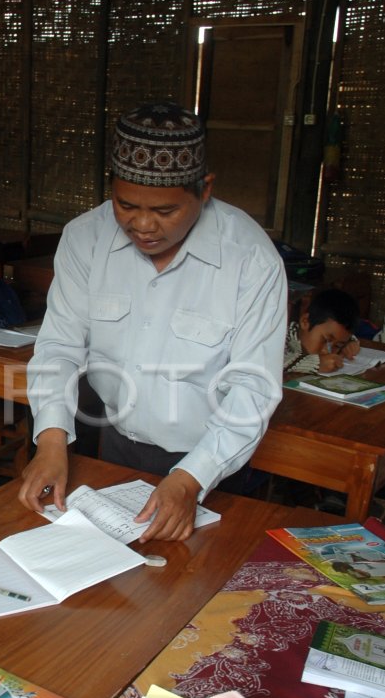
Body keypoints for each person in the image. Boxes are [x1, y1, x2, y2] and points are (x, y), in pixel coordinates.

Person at [21, 102, 287, 542]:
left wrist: (189, 480)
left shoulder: (250, 259)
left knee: (191, 586)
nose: (143, 226)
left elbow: (252, 388)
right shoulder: (85, 239)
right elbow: (59, 346)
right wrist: (51, 441)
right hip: (117, 450)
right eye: (126, 206)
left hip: (213, 465)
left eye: (165, 211)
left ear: (204, 190)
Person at [284, 289, 361, 374]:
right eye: (325, 340)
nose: (327, 351)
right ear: (305, 322)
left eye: (337, 345)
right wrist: (315, 364)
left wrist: (350, 344)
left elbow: (342, 336)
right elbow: (273, 362)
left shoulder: (328, 331)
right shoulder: (282, 338)